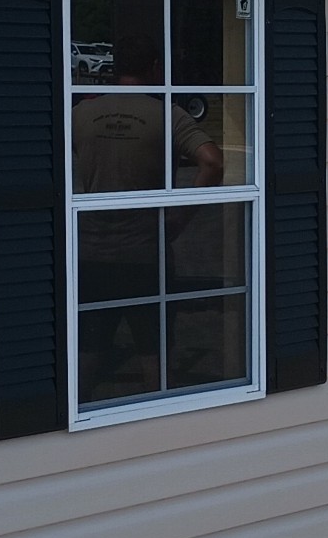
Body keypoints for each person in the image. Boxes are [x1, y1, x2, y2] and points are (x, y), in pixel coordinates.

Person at [72, 27, 224, 401]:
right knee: (153, 350)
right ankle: (158, 416)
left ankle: (73, 415)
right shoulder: (165, 115)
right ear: (155, 67)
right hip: (145, 252)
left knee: (89, 347)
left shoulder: (81, 113)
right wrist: (180, 218)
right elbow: (212, 162)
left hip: (91, 250)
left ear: (114, 68)